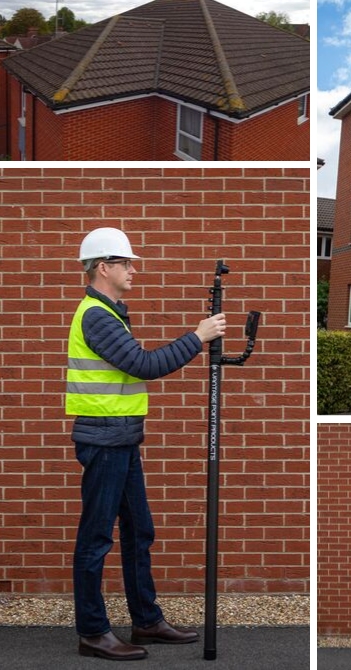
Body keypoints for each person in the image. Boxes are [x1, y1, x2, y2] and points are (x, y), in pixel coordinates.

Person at [68, 228, 227, 661]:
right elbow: (142, 364)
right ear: (104, 267)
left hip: (120, 437)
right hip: (104, 440)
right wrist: (198, 338)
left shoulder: (111, 312)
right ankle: (93, 632)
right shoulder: (97, 316)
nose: (134, 270)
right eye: (126, 263)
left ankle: (146, 620)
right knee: (96, 538)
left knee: (140, 530)